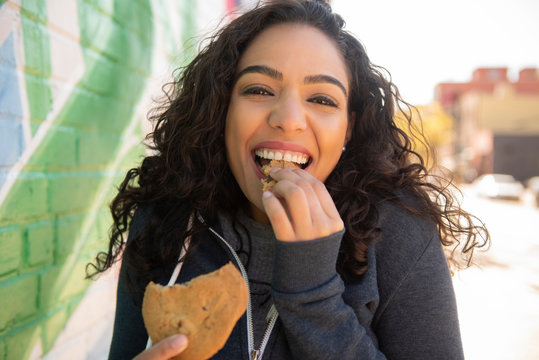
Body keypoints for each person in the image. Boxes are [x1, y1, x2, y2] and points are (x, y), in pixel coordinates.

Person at [87, 1, 489, 359]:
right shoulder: (164, 221)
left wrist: (313, 293)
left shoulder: (401, 233)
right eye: (260, 89)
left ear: (348, 129)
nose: (289, 118)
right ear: (222, 109)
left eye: (322, 99)